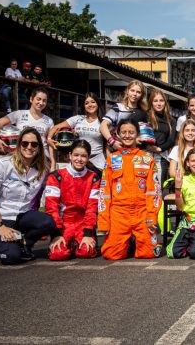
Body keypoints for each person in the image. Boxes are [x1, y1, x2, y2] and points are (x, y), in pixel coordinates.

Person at [0, 127, 55, 264]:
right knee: (11, 257)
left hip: (22, 216)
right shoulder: (3, 164)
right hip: (0, 217)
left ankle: (25, 243)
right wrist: (0, 227)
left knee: (48, 223)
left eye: (34, 144)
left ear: (39, 147)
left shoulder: (42, 170)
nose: (29, 147)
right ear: (19, 144)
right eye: (25, 143)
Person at [98, 119, 161, 260]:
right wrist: (104, 221)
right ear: (118, 135)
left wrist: (152, 217)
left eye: (131, 132)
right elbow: (104, 192)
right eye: (124, 132)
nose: (127, 135)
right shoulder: (111, 159)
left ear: (137, 134)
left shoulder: (147, 158)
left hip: (142, 212)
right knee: (111, 255)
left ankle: (136, 241)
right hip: (119, 213)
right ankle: (128, 241)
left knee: (149, 253)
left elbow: (154, 191)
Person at [45, 140, 100, 261]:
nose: (79, 159)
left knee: (87, 252)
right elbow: (51, 208)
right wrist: (57, 234)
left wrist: (87, 234)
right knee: (58, 254)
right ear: (70, 155)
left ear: (88, 157)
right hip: (64, 223)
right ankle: (69, 244)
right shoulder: (56, 176)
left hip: (83, 223)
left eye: (83, 156)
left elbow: (92, 208)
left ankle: (76, 244)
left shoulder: (94, 177)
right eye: (76, 155)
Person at [0, 87, 54, 162]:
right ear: (31, 99)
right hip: (22, 158)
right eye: (38, 99)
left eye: (44, 101)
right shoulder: (19, 114)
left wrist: (53, 162)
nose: (41, 103)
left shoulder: (49, 121)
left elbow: (50, 143)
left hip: (42, 160)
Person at [47, 93, 105, 171]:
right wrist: (49, 139)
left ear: (98, 103)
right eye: (86, 103)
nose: (90, 105)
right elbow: (55, 128)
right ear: (84, 106)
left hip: (97, 163)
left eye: (93, 102)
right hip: (78, 161)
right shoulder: (78, 119)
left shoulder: (104, 122)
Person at [99, 80, 149, 153]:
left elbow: (144, 135)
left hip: (136, 153)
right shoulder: (118, 108)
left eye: (138, 92)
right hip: (117, 151)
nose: (135, 94)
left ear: (142, 95)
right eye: (132, 90)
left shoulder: (144, 112)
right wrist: (112, 142)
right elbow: (103, 126)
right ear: (127, 91)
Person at [147, 88, 176, 182]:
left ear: (165, 102)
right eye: (155, 101)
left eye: (161, 100)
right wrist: (148, 146)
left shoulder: (171, 120)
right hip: (145, 154)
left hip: (161, 156)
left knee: (158, 185)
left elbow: (171, 140)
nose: (158, 104)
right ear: (151, 103)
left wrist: (159, 148)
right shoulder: (145, 116)